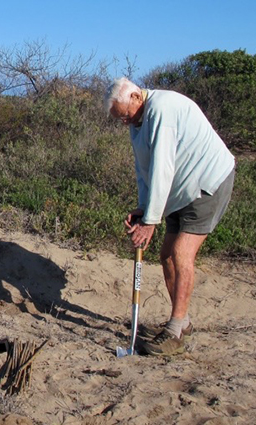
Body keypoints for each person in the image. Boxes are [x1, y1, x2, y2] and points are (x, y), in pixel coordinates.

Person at [105, 77, 236, 357]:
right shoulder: (137, 122)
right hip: (180, 189)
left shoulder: (162, 110)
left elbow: (164, 165)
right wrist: (143, 208)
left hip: (206, 183)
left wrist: (151, 221)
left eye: (126, 116)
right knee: (166, 255)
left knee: (181, 252)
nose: (126, 123)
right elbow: (144, 170)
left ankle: (175, 331)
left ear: (137, 98)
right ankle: (182, 321)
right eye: (121, 120)